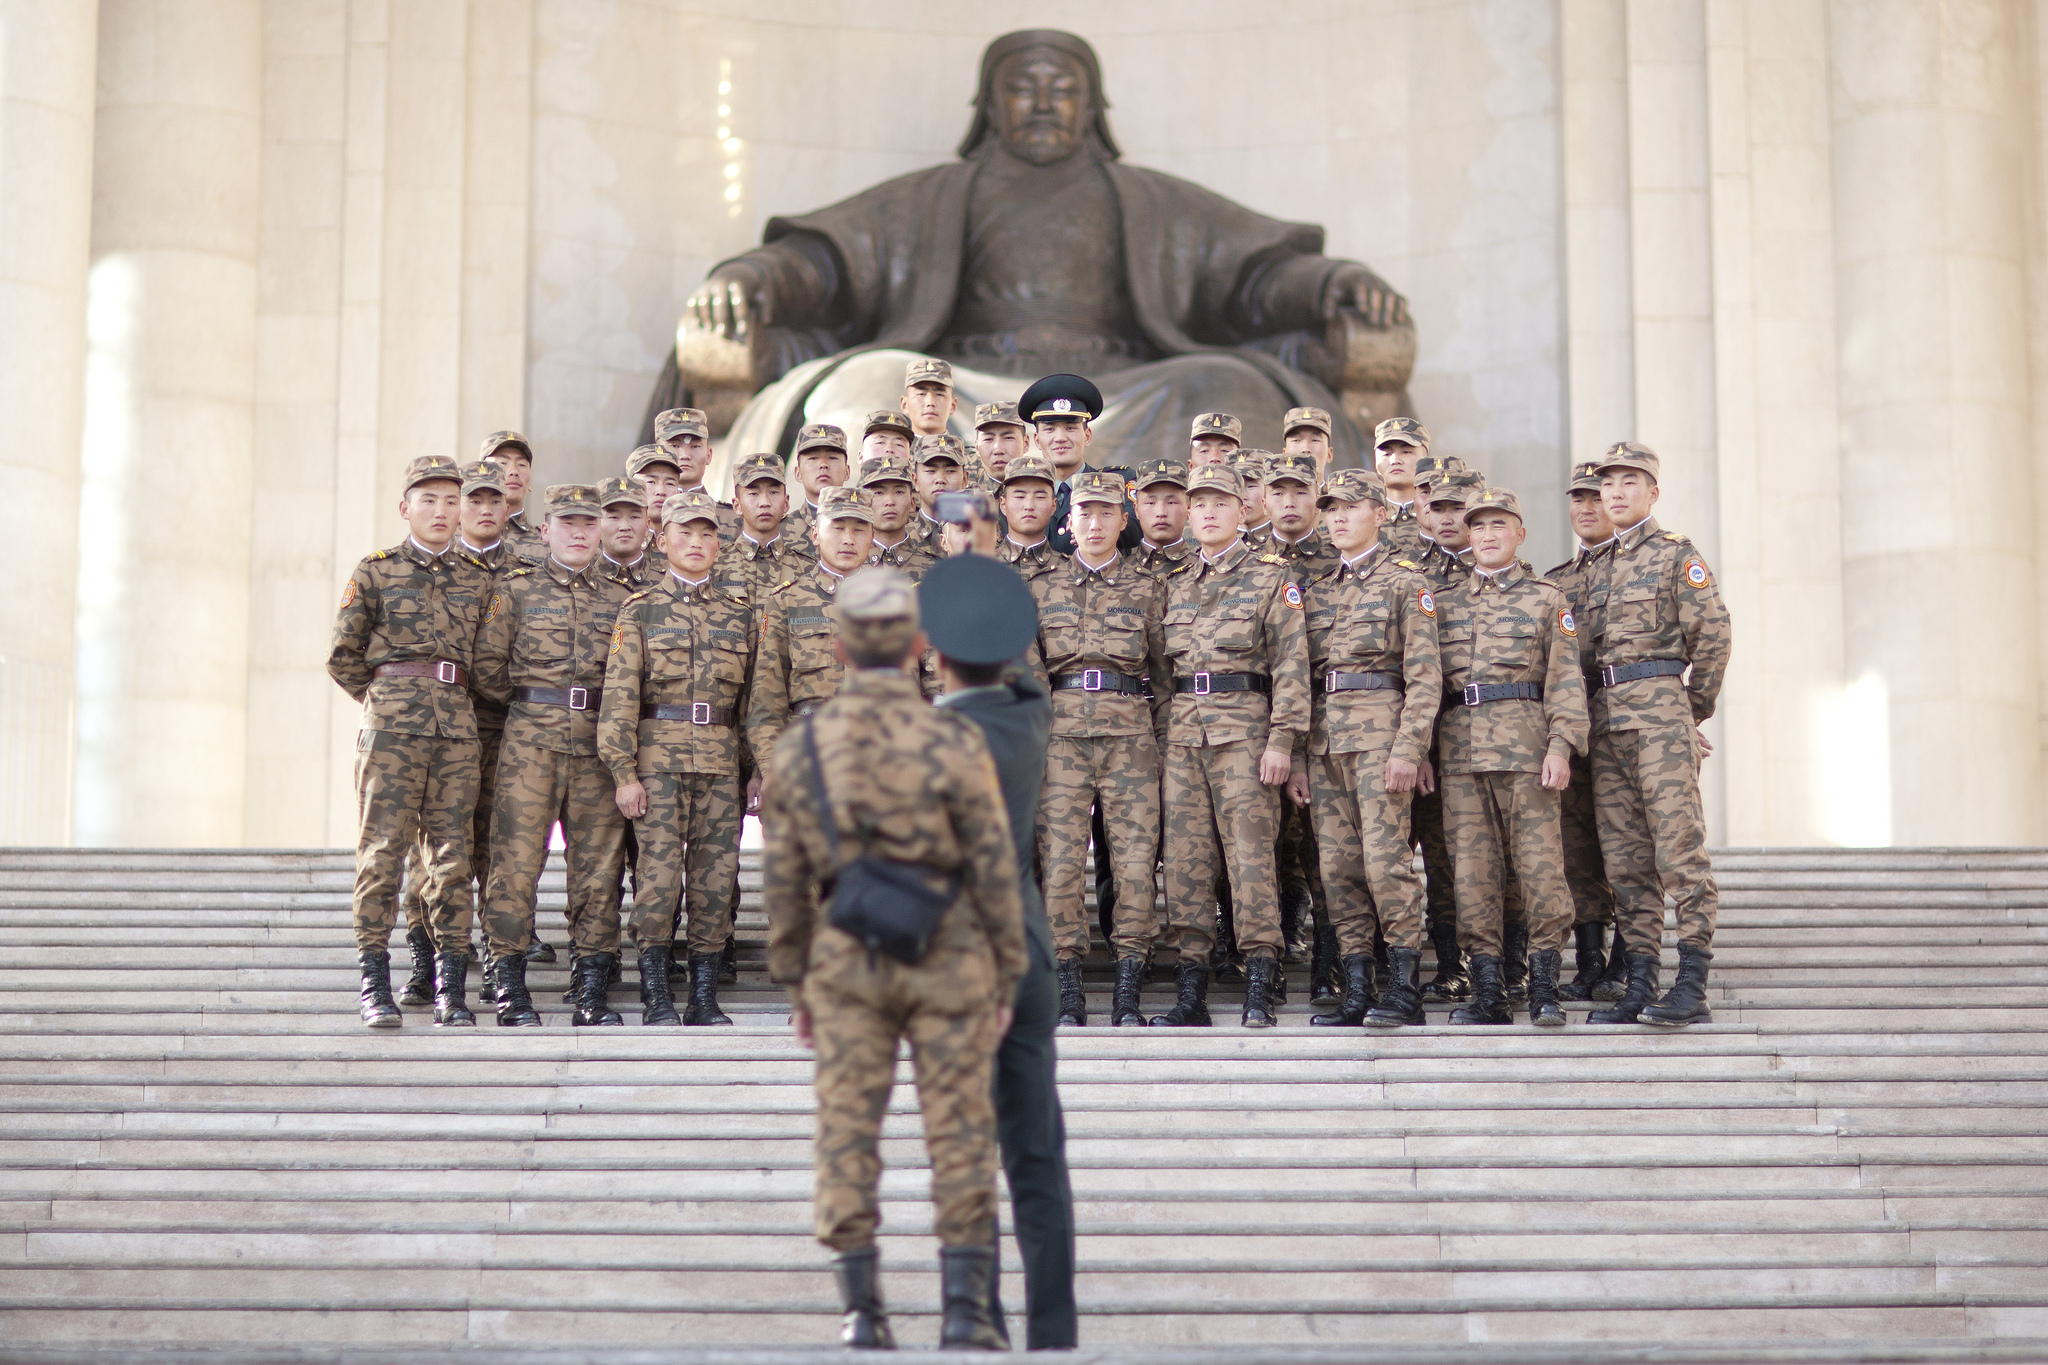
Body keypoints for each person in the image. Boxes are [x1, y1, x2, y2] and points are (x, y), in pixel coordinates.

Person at [760, 567, 1026, 1352]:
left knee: (846, 1128)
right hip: (951, 950)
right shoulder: (953, 736)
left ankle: (863, 1309)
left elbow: (781, 879)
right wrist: (1007, 970)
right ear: (918, 645)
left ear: (838, 648)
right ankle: (964, 1310)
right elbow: (993, 865)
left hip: (846, 956)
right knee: (962, 1129)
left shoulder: (801, 743)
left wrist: (795, 977)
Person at [921, 553, 1077, 1351]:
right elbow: (1022, 678)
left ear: (933, 652)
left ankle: (973, 1313)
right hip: (1028, 956)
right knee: (1035, 1147)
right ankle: (1053, 1325)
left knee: (965, 1146)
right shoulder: (1028, 718)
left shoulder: (925, 738)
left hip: (959, 968)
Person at [327, 455, 492, 1029]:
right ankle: (375, 982)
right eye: (430, 500)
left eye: (453, 501)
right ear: (406, 508)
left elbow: (490, 664)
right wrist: (386, 701)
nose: (443, 511)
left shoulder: (477, 579)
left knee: (451, 861)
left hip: (455, 733)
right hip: (393, 731)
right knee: (382, 855)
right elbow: (343, 656)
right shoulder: (375, 571)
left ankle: (451, 986)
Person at [471, 483, 635, 1027]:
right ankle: (510, 986)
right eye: (568, 523)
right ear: (546, 530)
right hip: (529, 744)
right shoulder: (514, 590)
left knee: (597, 870)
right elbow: (489, 670)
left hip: (596, 746)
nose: (580, 532)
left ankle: (589, 988)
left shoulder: (621, 598)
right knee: (515, 865)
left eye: (590, 524)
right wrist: (533, 705)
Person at [1154, 464, 1311, 1028]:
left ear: (1243, 511)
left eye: (1220, 502)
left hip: (1246, 737)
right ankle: (1191, 987)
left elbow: (1292, 668)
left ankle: (1260, 980)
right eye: (1199, 504)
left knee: (1250, 858)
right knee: (1188, 864)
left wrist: (1283, 742)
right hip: (1184, 740)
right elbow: (1160, 674)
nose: (1209, 512)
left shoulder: (1273, 578)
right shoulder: (1174, 583)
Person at [1585, 443, 1732, 1028]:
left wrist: (1688, 710)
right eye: (1609, 484)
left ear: (1652, 492)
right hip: (1605, 725)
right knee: (1625, 861)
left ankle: (1691, 981)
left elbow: (1714, 634)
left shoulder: (1676, 556)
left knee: (1678, 850)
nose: (1616, 493)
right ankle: (1640, 980)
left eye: (1629, 481)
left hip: (1658, 720)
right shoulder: (1593, 569)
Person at [598, 489, 757, 1028]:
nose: (696, 543)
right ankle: (656, 995)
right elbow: (619, 697)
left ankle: (704, 996)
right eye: (684, 533)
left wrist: (757, 768)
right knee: (660, 881)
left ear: (720, 544)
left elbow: (755, 703)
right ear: (661, 540)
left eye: (707, 533)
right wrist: (623, 772)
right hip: (658, 765)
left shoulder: (739, 615)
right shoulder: (639, 612)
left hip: (720, 764)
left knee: (715, 879)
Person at [1434, 488, 1590, 1028]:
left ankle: (1545, 985)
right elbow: (1430, 686)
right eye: (1478, 527)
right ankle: (1487, 991)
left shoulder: (1547, 599)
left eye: (1499, 525)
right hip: (1460, 755)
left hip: (1527, 752)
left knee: (1539, 870)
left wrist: (1562, 746)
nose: (1487, 535)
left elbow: (1566, 680)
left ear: (1519, 533)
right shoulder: (1445, 601)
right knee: (1472, 874)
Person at [1298, 468, 1441, 1028]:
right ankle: (1357, 986)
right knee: (1338, 870)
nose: (1337, 517)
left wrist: (1409, 749)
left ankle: (1403, 987)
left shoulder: (1407, 582)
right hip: (1329, 744)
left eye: (1350, 508)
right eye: (1330, 508)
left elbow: (1424, 677)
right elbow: (1306, 679)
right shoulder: (1319, 590)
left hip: (1381, 743)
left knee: (1387, 867)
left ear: (1379, 514)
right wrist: (1306, 756)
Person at [1029, 469, 1171, 1028]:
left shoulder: (1148, 586)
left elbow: (1164, 674)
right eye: (1085, 512)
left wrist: (1161, 746)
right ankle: (1068, 986)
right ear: (1070, 521)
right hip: (1061, 740)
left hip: (1130, 738)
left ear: (1122, 521)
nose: (1094, 522)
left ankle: (1129, 985)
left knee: (1135, 865)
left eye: (1106, 513)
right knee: (1061, 864)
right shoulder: (1041, 586)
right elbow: (1029, 669)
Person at [394, 459, 534, 1006]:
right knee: (430, 848)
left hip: (505, 726)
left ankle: (498, 954)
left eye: (492, 500)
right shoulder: (429, 569)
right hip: (441, 723)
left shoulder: (524, 570)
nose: (481, 509)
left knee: (498, 844)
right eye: (470, 500)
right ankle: (424, 956)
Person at [1546, 460, 1625, 1002]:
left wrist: (1686, 714)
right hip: (1573, 725)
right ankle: (1590, 960)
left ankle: (1627, 960)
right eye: (1578, 498)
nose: (1587, 507)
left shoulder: (1641, 566)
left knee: (1627, 842)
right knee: (1575, 845)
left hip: (1627, 717)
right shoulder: (1553, 583)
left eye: (1597, 497)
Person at [747, 484, 879, 762]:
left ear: (872, 536)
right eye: (838, 528)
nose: (848, 539)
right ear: (815, 534)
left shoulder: (892, 601)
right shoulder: (787, 601)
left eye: (859, 529)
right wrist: (770, 768)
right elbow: (766, 701)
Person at [1022, 373, 1142, 555]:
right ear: (1037, 440)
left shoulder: (1118, 481)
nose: (1060, 438)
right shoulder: (1022, 493)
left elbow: (1137, 524)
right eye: (1050, 429)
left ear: (1087, 436)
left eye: (1070, 428)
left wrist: (1091, 529)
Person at [729, 453, 798, 594]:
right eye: (754, 493)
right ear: (737, 505)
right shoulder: (715, 567)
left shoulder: (806, 569)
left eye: (773, 492)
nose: (765, 503)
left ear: (786, 503)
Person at [861, 453, 937, 578]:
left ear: (912, 503)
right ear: (864, 504)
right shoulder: (850, 568)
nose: (890, 502)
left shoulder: (933, 568)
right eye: (879, 493)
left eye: (899, 492)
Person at [781, 423, 853, 553]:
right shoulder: (780, 532)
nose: (823, 465)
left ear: (847, 471)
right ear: (798, 473)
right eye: (813, 458)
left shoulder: (863, 529)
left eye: (832, 457)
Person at [480, 431, 544, 560]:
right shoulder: (455, 539)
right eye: (503, 463)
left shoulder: (546, 544)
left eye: (521, 465)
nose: (514, 471)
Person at [1131, 458, 1195, 577]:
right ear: (1136, 509)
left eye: (1171, 503)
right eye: (1151, 503)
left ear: (1188, 508)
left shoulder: (1203, 571)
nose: (1161, 512)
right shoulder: (1119, 574)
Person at [1374, 418, 1428, 558]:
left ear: (1425, 458)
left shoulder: (1438, 516)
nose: (1395, 460)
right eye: (1386, 454)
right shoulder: (1367, 518)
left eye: (1406, 452)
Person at [596, 475, 658, 590]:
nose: (624, 527)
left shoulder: (665, 582)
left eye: (634, 517)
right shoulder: (584, 581)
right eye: (614, 517)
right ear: (597, 524)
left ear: (647, 526)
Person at [973, 401, 1028, 484]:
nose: (998, 450)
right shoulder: (968, 496)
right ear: (977, 447)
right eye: (988, 439)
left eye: (1008, 438)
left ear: (1026, 443)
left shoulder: (1044, 494)